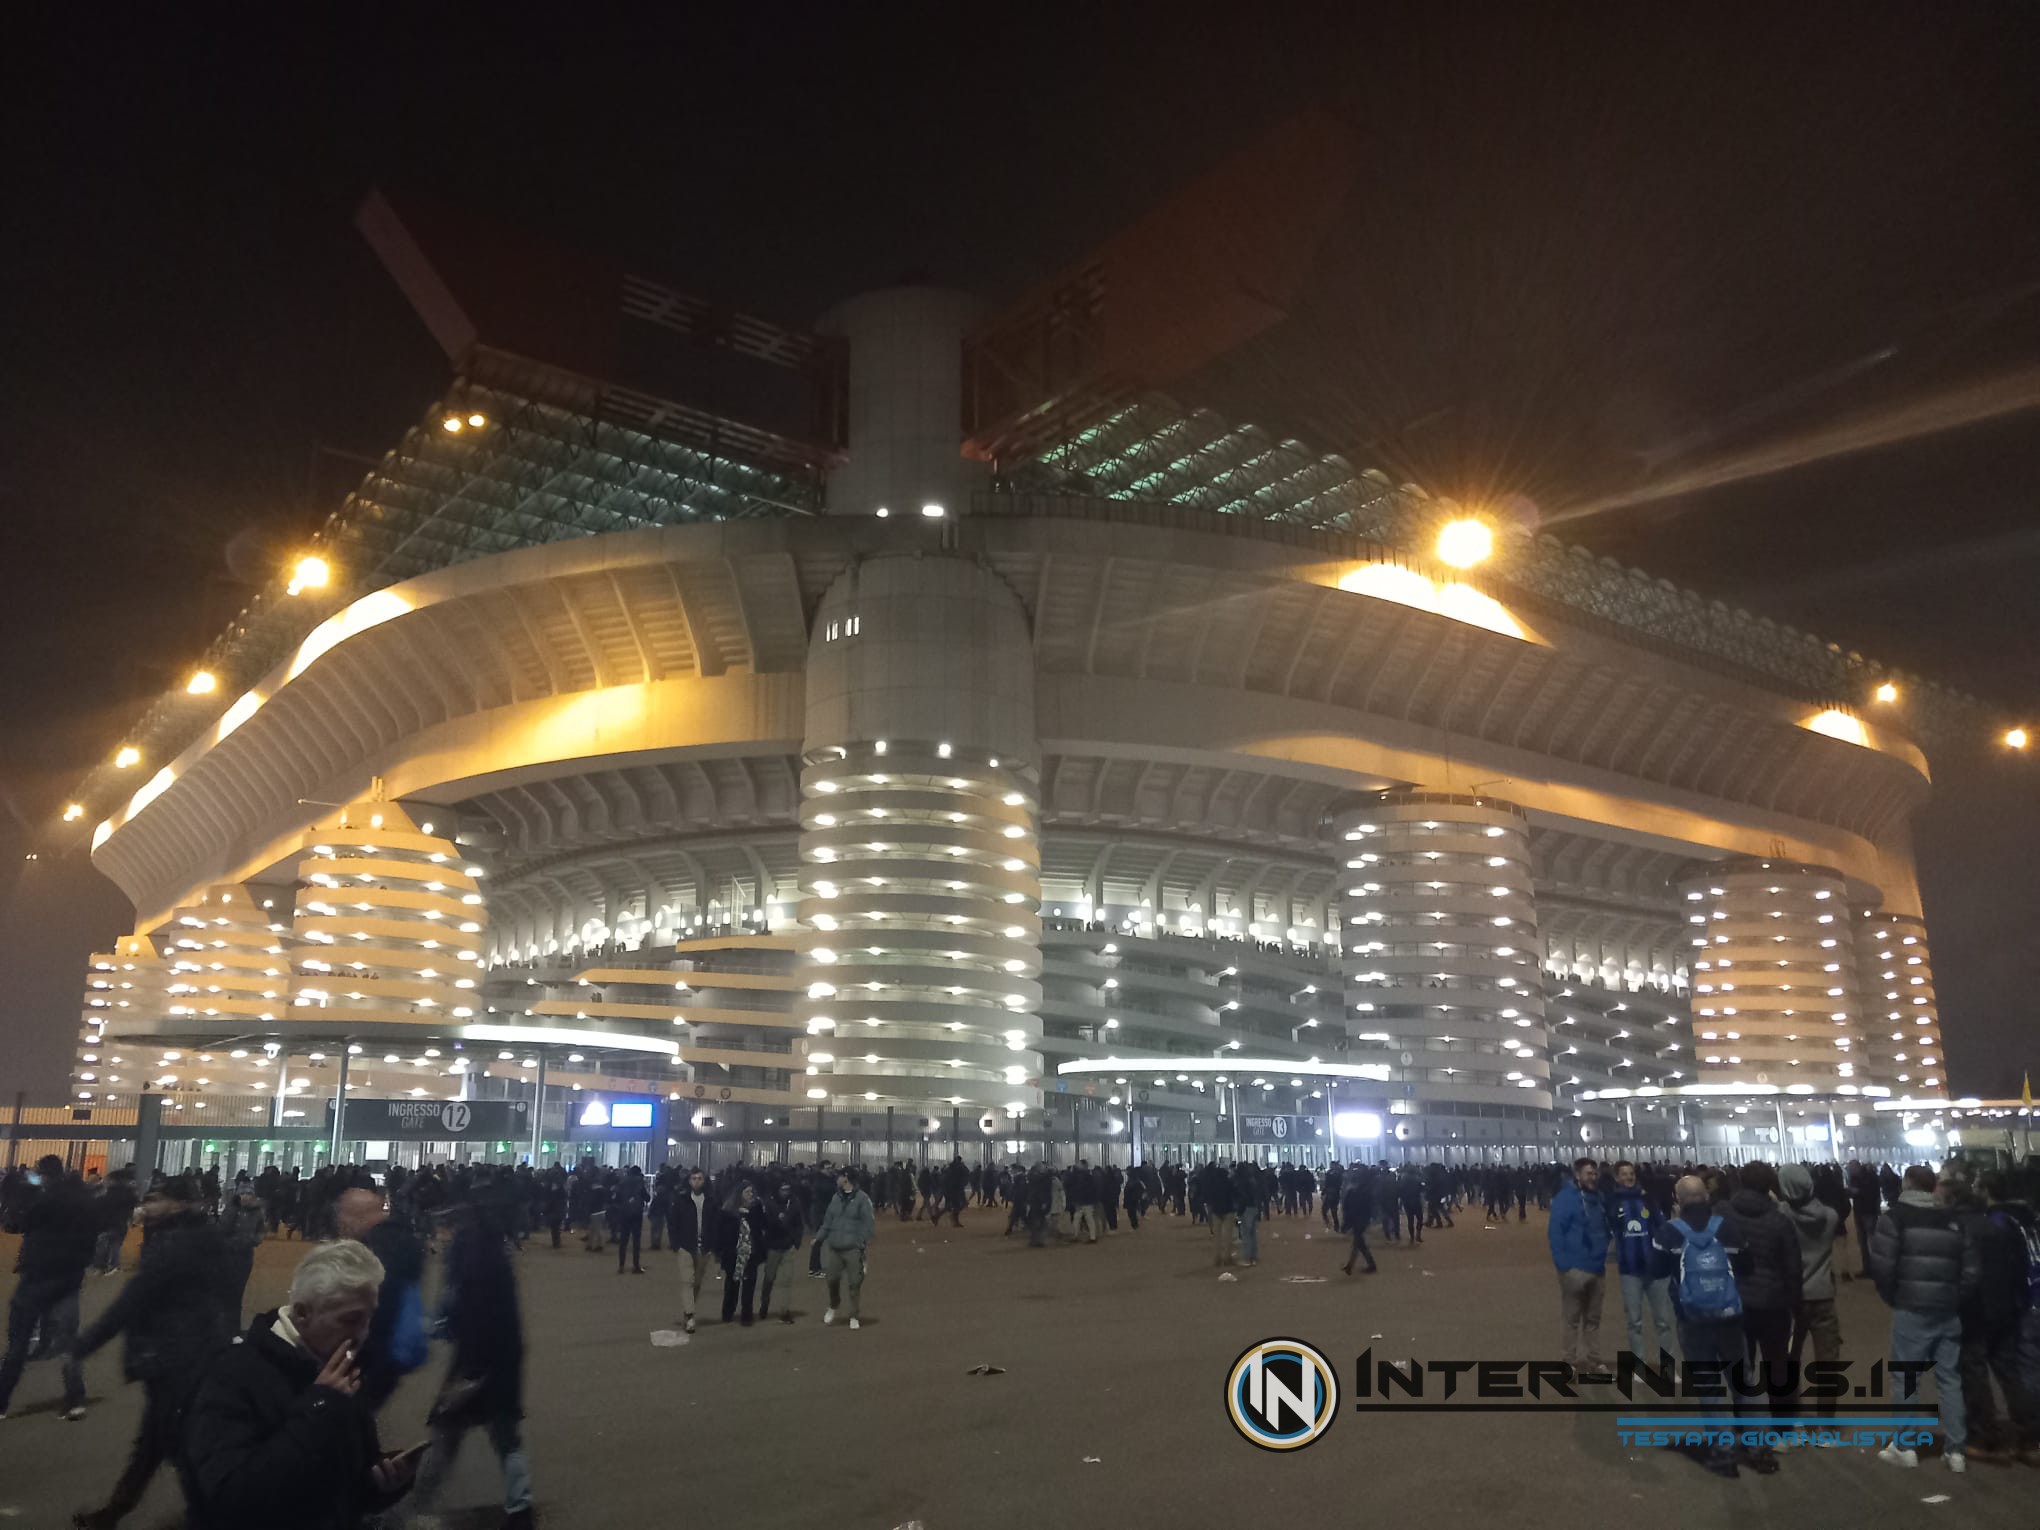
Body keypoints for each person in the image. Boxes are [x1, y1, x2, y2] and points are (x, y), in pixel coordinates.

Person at [179, 1240, 414, 1529]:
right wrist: (319, 1406)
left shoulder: (341, 1368)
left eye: (369, 1318)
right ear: (302, 1313)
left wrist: (380, 1483)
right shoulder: (231, 1375)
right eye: (351, 1319)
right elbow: (233, 1498)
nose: (364, 1333)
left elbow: (339, 1486)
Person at [65, 1173, 236, 1528]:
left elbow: (135, 1298)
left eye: (157, 1199)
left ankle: (212, 1513)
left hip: (176, 1354)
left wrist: (87, 1341)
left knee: (176, 1444)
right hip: (194, 1349)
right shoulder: (199, 1236)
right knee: (159, 1442)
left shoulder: (176, 1243)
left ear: (179, 1203)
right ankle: (118, 1510)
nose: (148, 1205)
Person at [403, 1201, 533, 1530]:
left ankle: (418, 1508)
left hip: (474, 1361)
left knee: (446, 1432)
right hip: (504, 1358)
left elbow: (454, 1310)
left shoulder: (465, 1259)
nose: (440, 1237)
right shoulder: (494, 1251)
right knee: (506, 1437)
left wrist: (435, 1330)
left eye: (442, 1229)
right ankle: (520, 1509)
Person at [1869, 1163, 1980, 1472]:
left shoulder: (1894, 1219)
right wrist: (1955, 1297)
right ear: (1932, 1187)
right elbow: (1971, 1270)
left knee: (1906, 1379)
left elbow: (1882, 1266)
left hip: (1911, 1309)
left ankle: (1904, 1446)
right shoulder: (1952, 1221)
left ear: (1906, 1184)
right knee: (1949, 1378)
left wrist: (1895, 1297)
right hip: (1947, 1309)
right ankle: (1955, 1450)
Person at [1656, 1174, 1746, 1478]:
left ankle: (1722, 1452)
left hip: (1692, 1317)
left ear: (1677, 1199)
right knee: (1741, 1381)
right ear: (1707, 1196)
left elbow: (1654, 1268)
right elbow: (1748, 1265)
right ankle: (1755, 1444)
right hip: (1730, 1315)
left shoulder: (1670, 1232)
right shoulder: (1728, 1227)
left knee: (1708, 1384)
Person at [0, 1156, 95, 1421]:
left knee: (18, 1344)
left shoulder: (39, 1199)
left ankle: (2, 1400)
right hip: (68, 1278)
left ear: (42, 1174)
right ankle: (76, 1399)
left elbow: (14, 1224)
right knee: (67, 1342)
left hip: (37, 1277)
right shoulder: (82, 1200)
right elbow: (91, 1237)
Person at [1956, 1168, 2040, 1464]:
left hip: (1997, 1306)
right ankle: (2029, 1435)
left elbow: (1981, 1271)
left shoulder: (1995, 1222)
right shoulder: (2025, 1216)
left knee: (1979, 1370)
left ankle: (1986, 1435)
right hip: (2016, 1303)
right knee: (2012, 1371)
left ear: (1986, 1190)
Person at [1724, 1162, 1798, 1466]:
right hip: (1772, 1302)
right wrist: (1796, 1303)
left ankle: (1745, 1428)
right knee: (1777, 1367)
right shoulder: (1778, 1221)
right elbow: (1792, 1268)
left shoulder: (1723, 1214)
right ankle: (1781, 1431)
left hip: (1735, 1299)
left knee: (1742, 1367)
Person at [335, 1187, 426, 1412]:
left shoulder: (374, 1252)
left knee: (350, 1413)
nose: (340, 1223)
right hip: (390, 1352)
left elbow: (372, 1309)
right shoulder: (401, 1241)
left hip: (372, 1353)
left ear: (359, 1217)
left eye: (344, 1215)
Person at [1778, 1162, 1843, 1422]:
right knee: (1828, 1361)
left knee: (1789, 1357)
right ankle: (1826, 1419)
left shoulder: (1781, 1216)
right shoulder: (1830, 1216)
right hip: (1823, 1295)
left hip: (1792, 1298)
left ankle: (1791, 1411)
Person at [1548, 1158, 1612, 1376]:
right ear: (1577, 1175)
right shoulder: (1565, 1199)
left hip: (1597, 1267)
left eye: (1594, 1174)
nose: (1592, 1177)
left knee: (1593, 1319)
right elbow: (1556, 1233)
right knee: (1572, 1319)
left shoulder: (1599, 1198)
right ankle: (1569, 1361)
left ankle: (1594, 1360)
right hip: (1574, 1267)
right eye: (1588, 1173)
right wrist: (1564, 1265)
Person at [1608, 1160, 1676, 1362]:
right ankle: (1638, 1361)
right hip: (1630, 1268)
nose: (1629, 1177)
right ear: (1617, 1178)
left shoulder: (1648, 1200)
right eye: (1624, 1174)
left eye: (1631, 1174)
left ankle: (1667, 1362)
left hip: (1654, 1267)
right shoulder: (1613, 1201)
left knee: (1663, 1319)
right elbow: (1611, 1225)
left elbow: (1660, 1224)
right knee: (1634, 1320)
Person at [817, 1168, 875, 1329]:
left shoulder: (863, 1199)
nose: (837, 1179)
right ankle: (833, 1304)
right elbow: (828, 1219)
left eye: (839, 1176)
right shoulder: (836, 1198)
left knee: (854, 1283)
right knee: (831, 1279)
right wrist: (820, 1237)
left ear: (846, 1179)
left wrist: (861, 1242)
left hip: (853, 1248)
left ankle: (854, 1315)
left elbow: (868, 1223)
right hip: (835, 1247)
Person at [666, 1167, 719, 1336]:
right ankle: (690, 1316)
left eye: (700, 1178)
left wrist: (714, 1245)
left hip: (704, 1247)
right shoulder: (681, 1199)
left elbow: (716, 1223)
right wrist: (676, 1244)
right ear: (689, 1181)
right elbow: (673, 1222)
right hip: (686, 1246)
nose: (697, 1181)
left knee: (696, 1283)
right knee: (687, 1281)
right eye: (694, 1178)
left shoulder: (711, 1200)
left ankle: (689, 1309)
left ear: (704, 1181)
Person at [719, 1184, 769, 1326]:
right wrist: (719, 1250)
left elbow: (764, 1226)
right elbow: (722, 1232)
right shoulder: (728, 1211)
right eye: (747, 1191)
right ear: (739, 1193)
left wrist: (759, 1211)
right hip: (734, 1253)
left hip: (751, 1253)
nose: (750, 1194)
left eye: (752, 1191)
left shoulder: (757, 1209)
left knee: (749, 1286)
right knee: (731, 1285)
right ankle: (727, 1313)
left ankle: (746, 1315)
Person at [758, 1182, 805, 1324]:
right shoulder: (769, 1203)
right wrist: (777, 1221)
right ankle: (764, 1303)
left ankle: (784, 1311)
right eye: (782, 1189)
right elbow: (764, 1223)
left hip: (788, 1247)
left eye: (787, 1189)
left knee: (787, 1281)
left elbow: (799, 1224)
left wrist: (795, 1241)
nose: (785, 1192)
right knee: (769, 1278)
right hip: (773, 1247)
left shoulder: (795, 1203)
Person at [1339, 1168, 1376, 1275]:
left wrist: (1346, 1222)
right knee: (1359, 1243)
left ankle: (1354, 1266)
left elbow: (1347, 1208)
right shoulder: (1366, 1191)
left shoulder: (1354, 1191)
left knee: (1358, 1243)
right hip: (1362, 1219)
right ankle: (1353, 1265)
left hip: (1357, 1220)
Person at [611, 1166, 647, 1275]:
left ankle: (621, 1266)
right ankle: (635, 1266)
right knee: (636, 1241)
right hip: (637, 1214)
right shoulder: (640, 1183)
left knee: (623, 1241)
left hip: (624, 1213)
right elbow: (647, 1197)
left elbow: (616, 1198)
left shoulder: (622, 1182)